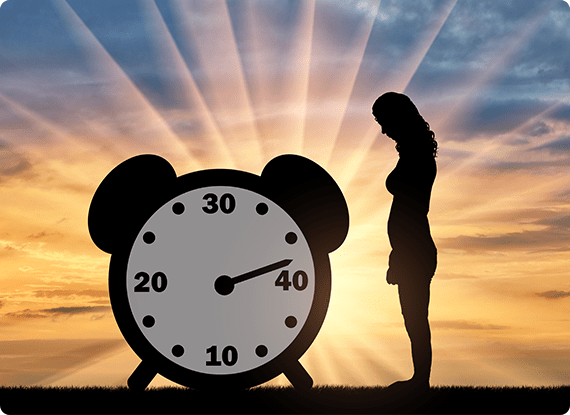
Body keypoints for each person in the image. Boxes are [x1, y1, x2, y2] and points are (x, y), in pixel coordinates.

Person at [372, 92, 438, 394]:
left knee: (415, 317)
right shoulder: (413, 153)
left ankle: (420, 382)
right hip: (409, 248)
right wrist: (394, 256)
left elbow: (410, 214)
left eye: (384, 122)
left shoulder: (418, 156)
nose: (384, 130)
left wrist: (399, 256)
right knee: (412, 317)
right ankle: (419, 379)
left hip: (415, 248)